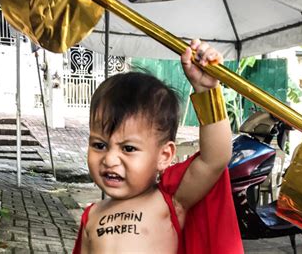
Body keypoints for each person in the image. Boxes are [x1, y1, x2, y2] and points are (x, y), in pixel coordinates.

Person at [73, 39, 243, 253]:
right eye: (100, 145)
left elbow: (215, 159)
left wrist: (207, 91)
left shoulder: (170, 203)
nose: (109, 159)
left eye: (128, 148)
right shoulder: (92, 216)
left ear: (164, 155)